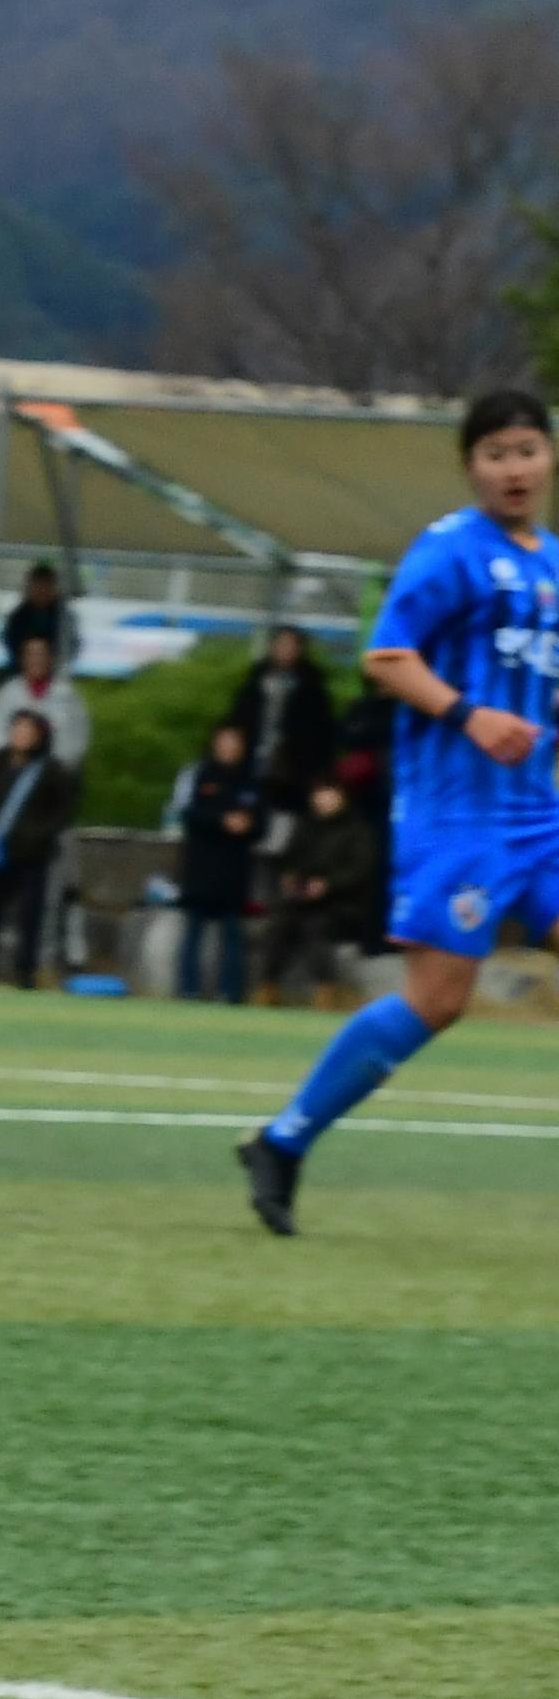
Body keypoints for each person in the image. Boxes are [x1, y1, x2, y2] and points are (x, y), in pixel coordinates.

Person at [243, 389, 559, 1236]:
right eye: (496, 453)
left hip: (541, 816)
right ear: (471, 468)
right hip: (458, 816)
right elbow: (385, 656)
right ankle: (283, 1140)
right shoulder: (451, 549)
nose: (514, 468)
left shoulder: (554, 564)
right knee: (439, 998)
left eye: (527, 449)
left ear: (550, 457)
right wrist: (471, 715)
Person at [0, 708, 78, 988]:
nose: (22, 735)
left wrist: (39, 835)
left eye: (29, 731)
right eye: (18, 729)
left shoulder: (51, 770)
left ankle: (25, 973)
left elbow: (63, 810)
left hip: (34, 854)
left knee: (30, 917)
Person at [261, 776, 381, 1008]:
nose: (323, 800)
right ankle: (268, 986)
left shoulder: (357, 830)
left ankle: (325, 989)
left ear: (342, 797)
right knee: (279, 924)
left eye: (329, 793)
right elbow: (288, 859)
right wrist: (290, 877)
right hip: (301, 900)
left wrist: (328, 885)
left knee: (316, 927)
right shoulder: (306, 826)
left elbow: (360, 870)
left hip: (343, 904)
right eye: (319, 793)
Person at [174, 721, 263, 1004]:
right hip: (201, 864)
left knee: (233, 933)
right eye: (225, 740)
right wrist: (220, 821)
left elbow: (263, 824)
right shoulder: (197, 774)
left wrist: (246, 825)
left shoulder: (252, 781)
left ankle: (231, 991)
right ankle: (187, 988)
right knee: (193, 930)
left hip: (235, 868)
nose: (229, 747)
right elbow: (185, 813)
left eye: (235, 741)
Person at [226, 625, 340, 813]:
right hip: (253, 760)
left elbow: (322, 731)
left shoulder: (312, 685)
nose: (286, 650)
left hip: (293, 767)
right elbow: (239, 718)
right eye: (282, 644)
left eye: (292, 645)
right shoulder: (257, 678)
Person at [0, 631, 91, 767]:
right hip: (13, 769)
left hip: (56, 771)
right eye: (30, 654)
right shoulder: (8, 691)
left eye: (41, 654)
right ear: (22, 658)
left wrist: (58, 766)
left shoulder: (68, 695)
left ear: (51, 658)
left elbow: (78, 736)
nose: (36, 660)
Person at [0, 562, 77, 674]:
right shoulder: (18, 616)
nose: (42, 591)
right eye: (38, 585)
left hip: (55, 676)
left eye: (46, 586)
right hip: (20, 675)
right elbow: (10, 643)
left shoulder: (64, 617)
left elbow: (71, 646)